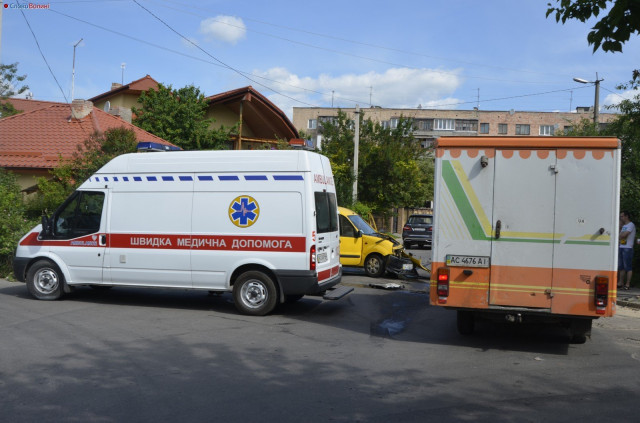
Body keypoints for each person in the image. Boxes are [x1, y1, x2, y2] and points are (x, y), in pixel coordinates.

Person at [618, 211, 636, 290]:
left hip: (628, 248)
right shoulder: (624, 226)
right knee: (621, 266)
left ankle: (627, 284)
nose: (620, 218)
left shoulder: (631, 225)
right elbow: (619, 235)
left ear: (626, 216)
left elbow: (624, 235)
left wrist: (620, 235)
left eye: (622, 216)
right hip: (621, 246)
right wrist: (620, 227)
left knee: (627, 267)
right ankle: (620, 282)